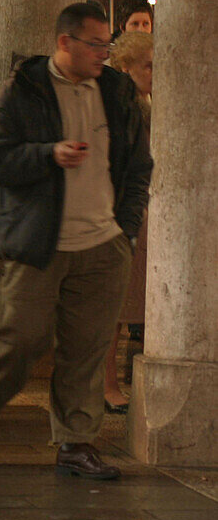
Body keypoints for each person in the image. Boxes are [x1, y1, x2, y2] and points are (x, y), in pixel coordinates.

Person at [0, 2, 152, 480]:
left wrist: (126, 228)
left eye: (108, 44)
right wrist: (48, 155)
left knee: (87, 346)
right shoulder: (24, 90)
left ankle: (75, 443)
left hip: (104, 244)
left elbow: (139, 166)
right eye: (95, 45)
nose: (105, 53)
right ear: (66, 43)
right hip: (41, 241)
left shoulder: (117, 92)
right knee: (20, 335)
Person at [104, 30, 153, 413]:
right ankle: (106, 385)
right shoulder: (121, 106)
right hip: (121, 212)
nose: (154, 73)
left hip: (141, 211)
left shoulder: (144, 102)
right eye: (148, 66)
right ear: (125, 68)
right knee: (115, 308)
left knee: (126, 304)